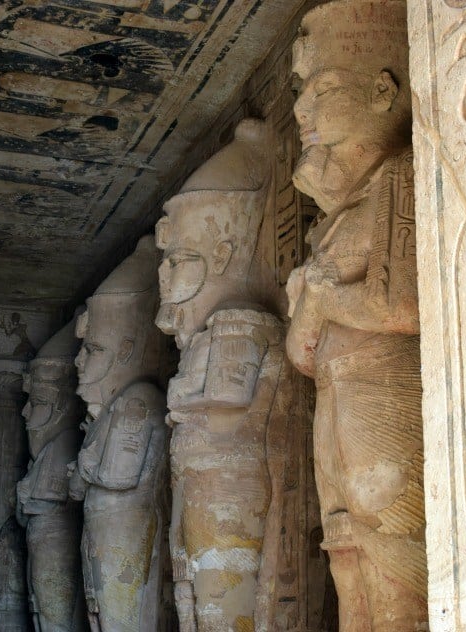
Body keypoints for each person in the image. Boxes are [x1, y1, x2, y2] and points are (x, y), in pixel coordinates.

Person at [285, 3, 427, 630]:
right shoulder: (333, 222)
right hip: (336, 402)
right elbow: (301, 353)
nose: (301, 112)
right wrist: (312, 304)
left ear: (380, 91)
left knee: (390, 547)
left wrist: (320, 297)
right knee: (344, 553)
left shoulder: (400, 180)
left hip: (387, 393)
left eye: (321, 90)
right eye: (301, 94)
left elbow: (403, 307)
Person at [156, 119, 292, 631]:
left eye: (181, 261)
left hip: (229, 490)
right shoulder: (205, 336)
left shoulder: (240, 324)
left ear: (223, 255)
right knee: (190, 599)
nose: (167, 279)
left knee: (221, 606)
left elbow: (228, 399)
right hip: (199, 483)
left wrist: (180, 395)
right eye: (165, 265)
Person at [68, 236, 170, 632]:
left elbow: (117, 477)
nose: (78, 362)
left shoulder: (137, 402)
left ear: (125, 350)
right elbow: (80, 485)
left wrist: (86, 466)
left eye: (92, 350)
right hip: (107, 529)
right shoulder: (111, 410)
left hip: (124, 530)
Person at [16, 317, 87, 632]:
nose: (27, 413)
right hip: (43, 543)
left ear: (63, 406)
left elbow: (49, 502)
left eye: (39, 403)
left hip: (56, 544)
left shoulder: (63, 445)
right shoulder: (49, 451)